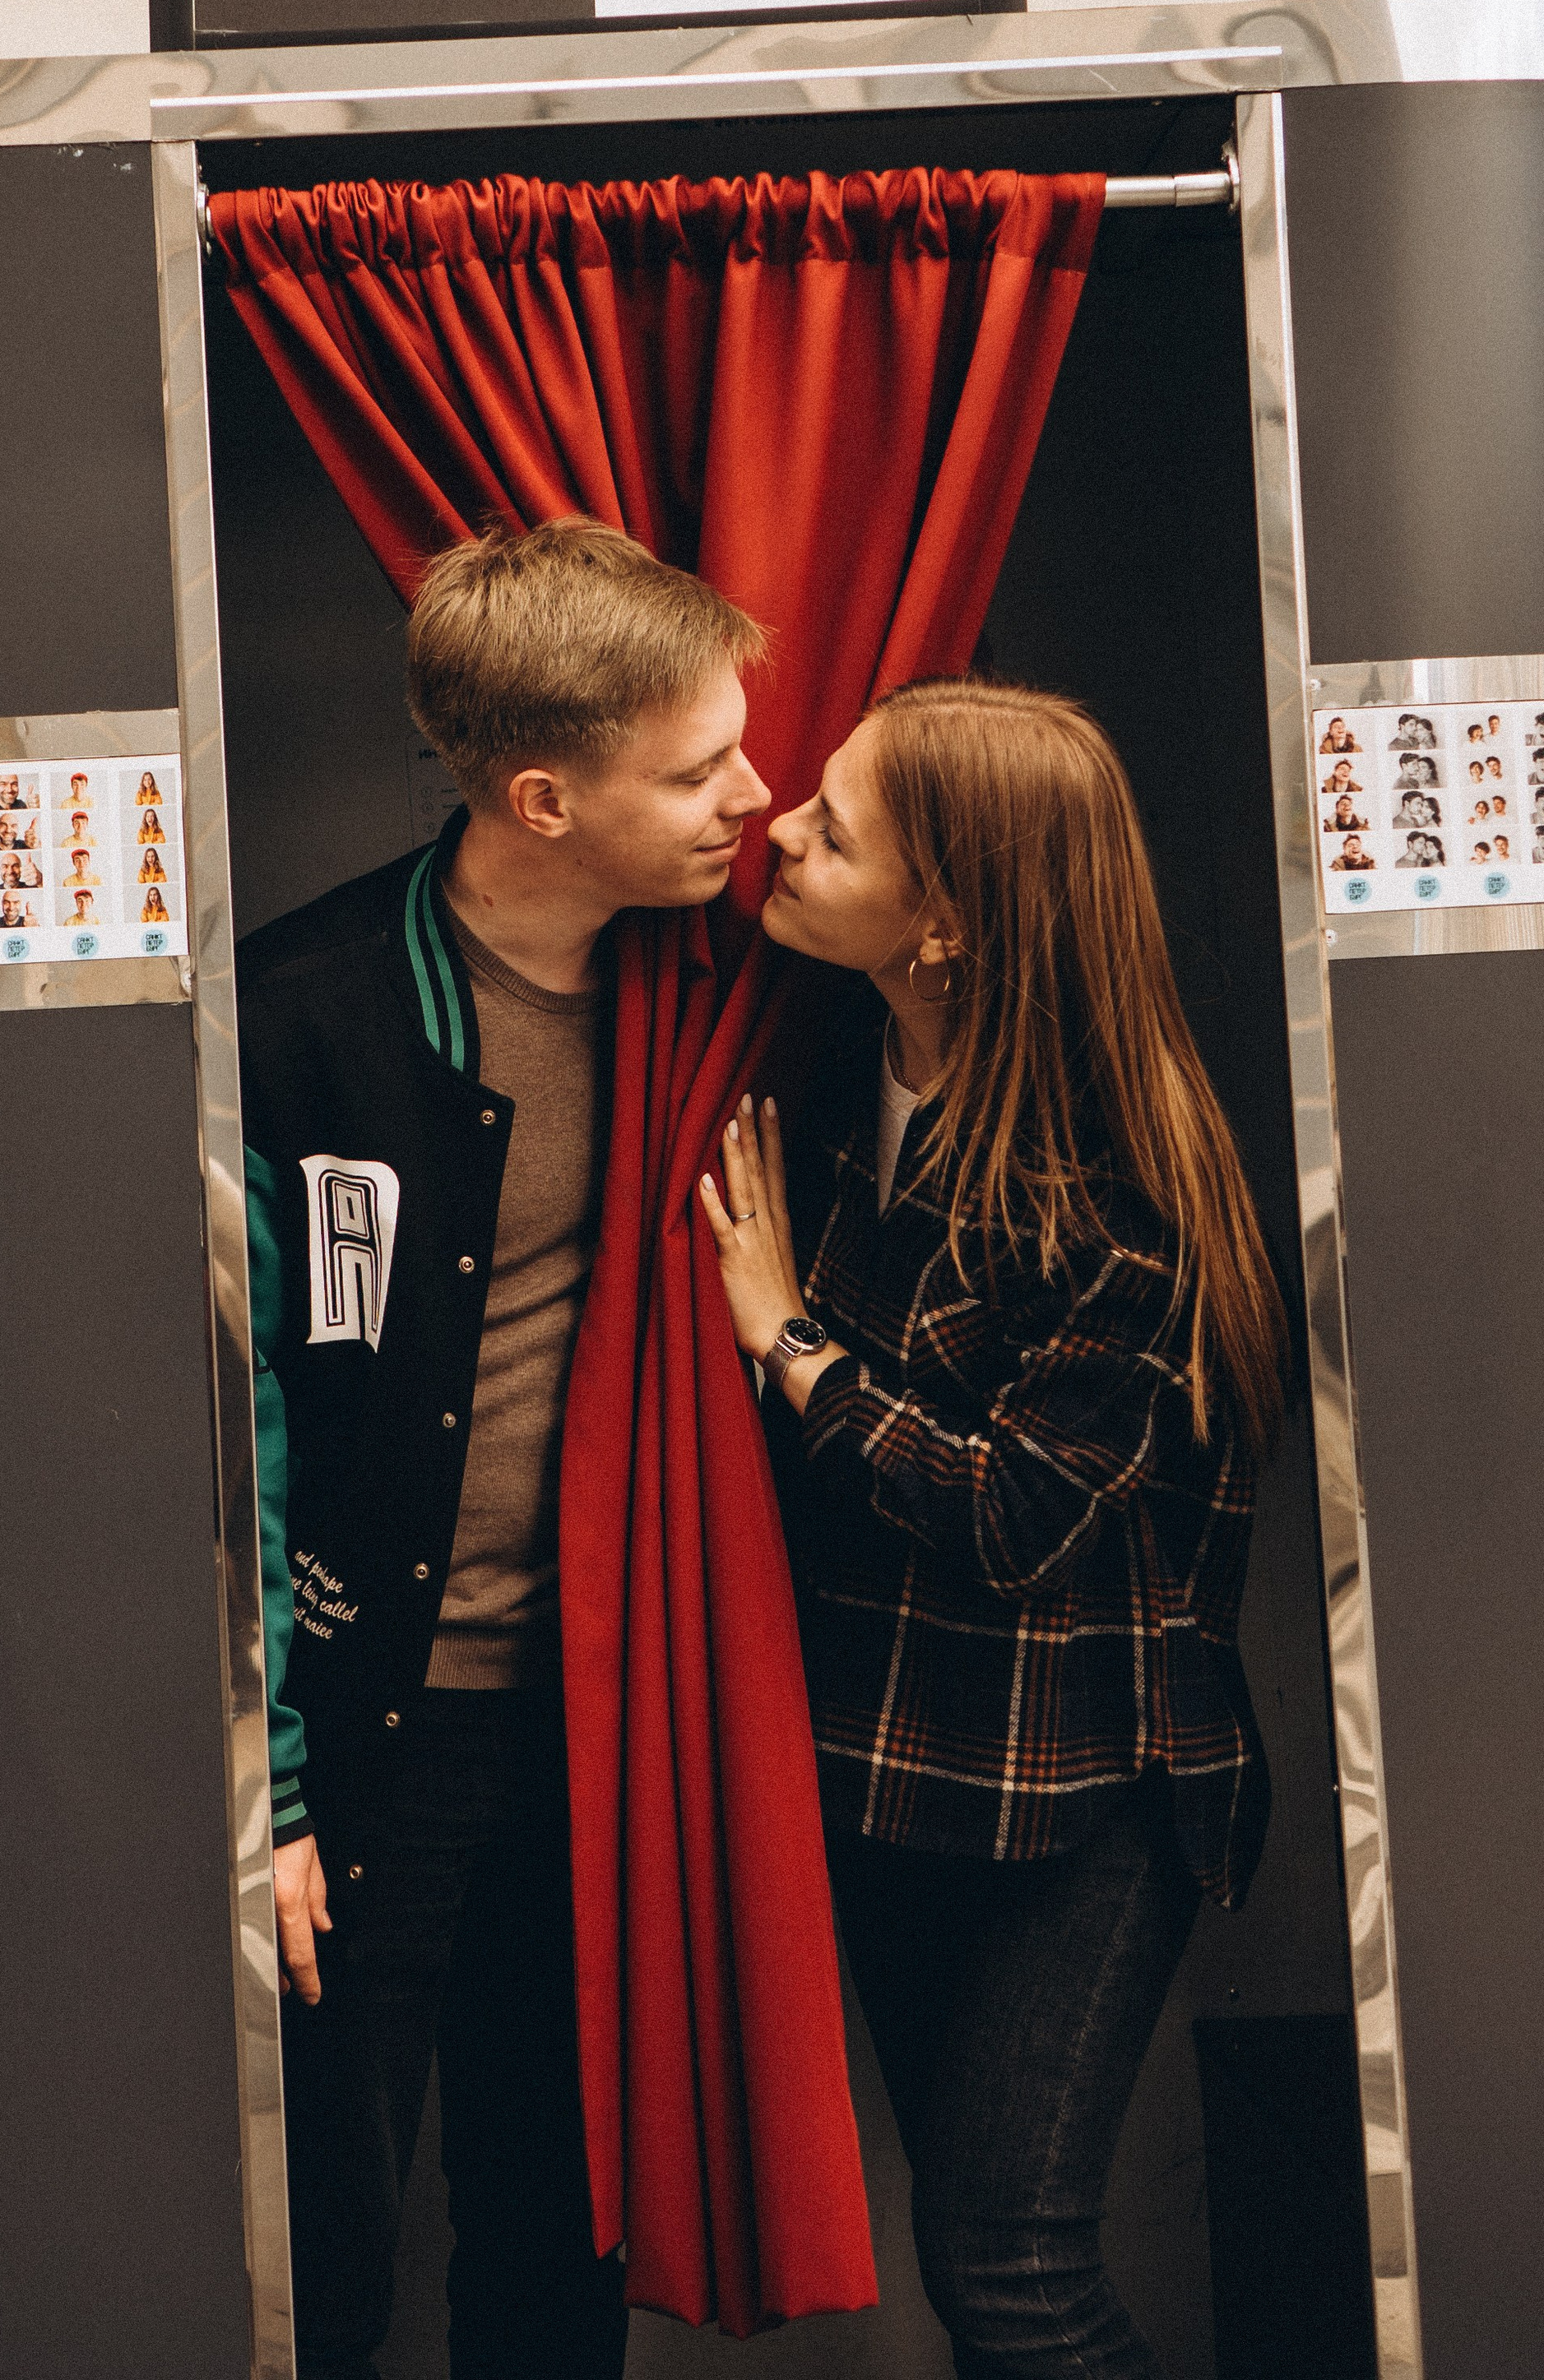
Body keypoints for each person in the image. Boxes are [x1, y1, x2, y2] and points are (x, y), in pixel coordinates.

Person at [698, 678, 1290, 2380]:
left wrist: (788, 1340)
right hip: (884, 1761)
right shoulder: (820, 1073)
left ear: (944, 920)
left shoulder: (1115, 1197)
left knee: (1008, 2264)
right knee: (971, 2267)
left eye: (831, 825)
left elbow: (1010, 1512)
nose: (777, 829)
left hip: (1088, 1791)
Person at [239, 517, 772, 2380]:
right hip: (364, 1735)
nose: (751, 797)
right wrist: (271, 1788)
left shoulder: (703, 1000)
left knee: (555, 2239)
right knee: (324, 2244)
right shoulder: (295, 1018)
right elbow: (230, 1428)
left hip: (594, 1723)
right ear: (542, 800)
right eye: (698, 767)